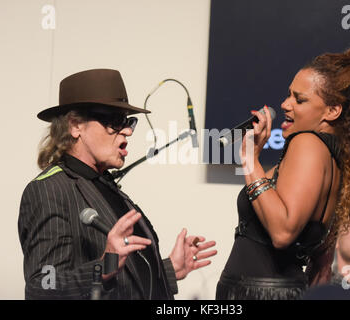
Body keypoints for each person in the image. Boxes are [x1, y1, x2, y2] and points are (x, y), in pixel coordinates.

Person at [216, 46, 350, 300]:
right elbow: (321, 268)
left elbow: (282, 232)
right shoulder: (335, 161)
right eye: (289, 95)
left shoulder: (307, 144)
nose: (285, 104)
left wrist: (249, 159)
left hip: (257, 293)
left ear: (332, 111)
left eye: (299, 99)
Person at [18, 69, 217, 299]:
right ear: (75, 126)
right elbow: (43, 286)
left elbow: (127, 279)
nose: (128, 131)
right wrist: (103, 267)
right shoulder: (50, 190)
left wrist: (170, 269)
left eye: (128, 121)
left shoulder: (105, 184)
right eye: (114, 122)